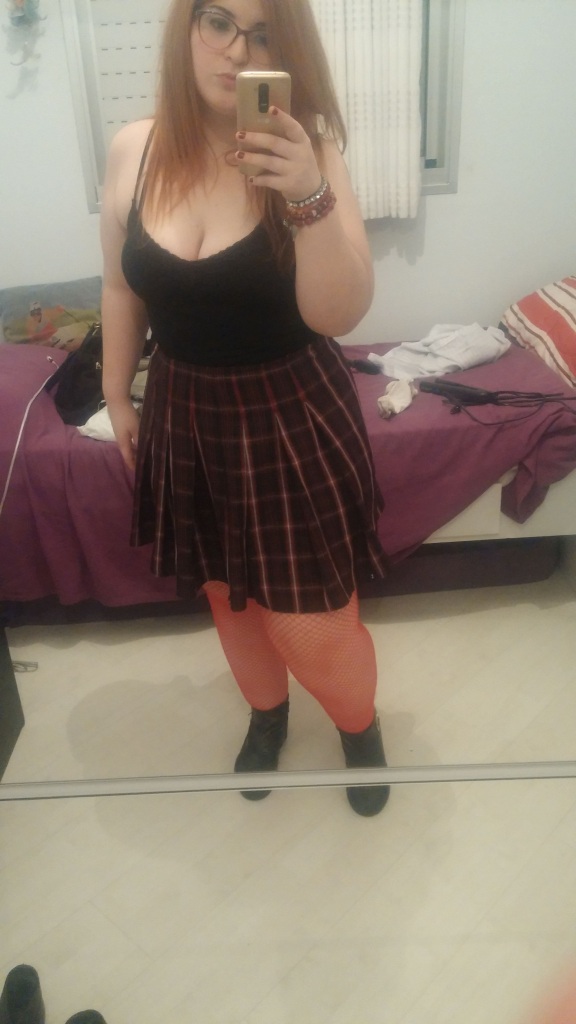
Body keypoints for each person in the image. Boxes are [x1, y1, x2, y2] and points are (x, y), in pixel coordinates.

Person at [100, 0, 391, 816]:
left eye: (262, 33)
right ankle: (268, 713)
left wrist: (307, 196)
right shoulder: (134, 149)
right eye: (219, 21)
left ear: (285, 48)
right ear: (186, 27)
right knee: (230, 598)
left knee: (313, 624)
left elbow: (339, 314)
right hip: (185, 411)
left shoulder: (309, 153)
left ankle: (358, 723)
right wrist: (116, 392)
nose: (237, 50)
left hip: (290, 411)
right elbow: (120, 284)